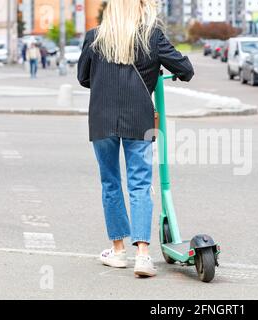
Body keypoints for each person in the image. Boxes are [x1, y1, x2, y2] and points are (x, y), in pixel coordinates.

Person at [77, 0, 194, 278]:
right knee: (140, 184)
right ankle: (142, 255)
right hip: (138, 119)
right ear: (140, 7)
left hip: (102, 118)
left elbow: (83, 78)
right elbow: (185, 69)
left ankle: (117, 251)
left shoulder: (94, 37)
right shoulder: (151, 36)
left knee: (110, 182)